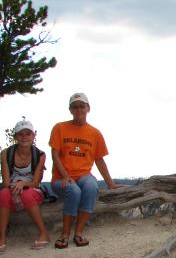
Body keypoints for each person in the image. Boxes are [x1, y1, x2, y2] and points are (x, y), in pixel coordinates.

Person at [49, 92, 123, 249]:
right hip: (60, 178)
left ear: (88, 108)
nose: (79, 110)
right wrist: (66, 176)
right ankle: (64, 234)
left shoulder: (95, 133)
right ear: (70, 110)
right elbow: (54, 155)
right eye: (75, 107)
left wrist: (110, 184)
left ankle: (79, 232)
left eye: (82, 106)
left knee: (91, 186)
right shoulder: (60, 128)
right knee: (73, 191)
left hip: (83, 176)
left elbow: (99, 160)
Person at [0, 119, 50, 254]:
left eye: (28, 134)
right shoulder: (6, 154)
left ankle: (43, 233)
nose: (24, 137)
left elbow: (35, 182)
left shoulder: (40, 155)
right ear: (15, 136)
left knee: (27, 194)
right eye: (21, 134)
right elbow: (6, 182)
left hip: (31, 189)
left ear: (33, 135)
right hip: (12, 188)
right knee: (3, 194)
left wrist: (23, 184)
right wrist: (16, 187)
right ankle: (2, 238)